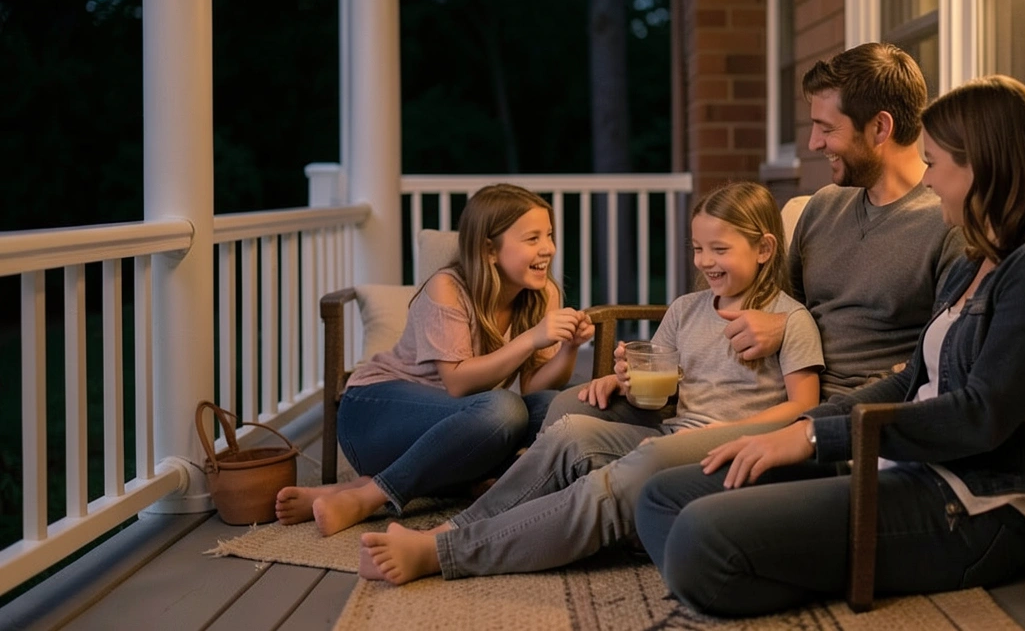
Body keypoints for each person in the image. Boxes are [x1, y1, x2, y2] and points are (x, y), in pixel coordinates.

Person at [634, 75, 1025, 617]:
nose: (930, 179)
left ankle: (758, 567)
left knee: (700, 537)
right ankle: (768, 566)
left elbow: (981, 416)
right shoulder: (979, 257)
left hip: (968, 501)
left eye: (936, 163)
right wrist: (802, 429)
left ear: (981, 167)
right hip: (889, 458)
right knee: (664, 497)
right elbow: (910, 379)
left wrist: (814, 439)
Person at [357, 181, 825, 584]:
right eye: (698, 248)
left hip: (727, 446)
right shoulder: (685, 309)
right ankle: (449, 531)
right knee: (569, 431)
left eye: (720, 250)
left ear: (763, 249)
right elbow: (666, 391)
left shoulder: (790, 319)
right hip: (671, 433)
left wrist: (723, 435)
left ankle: (450, 555)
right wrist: (621, 382)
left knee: (612, 480)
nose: (705, 261)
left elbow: (803, 408)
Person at [540, 41, 962, 435]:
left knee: (625, 461)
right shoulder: (823, 208)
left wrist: (788, 338)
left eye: (826, 129)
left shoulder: (945, 224)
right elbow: (769, 303)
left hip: (831, 415)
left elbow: (942, 356)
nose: (814, 143)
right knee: (570, 409)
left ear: (880, 128)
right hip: (754, 393)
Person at [275, 183, 594, 536]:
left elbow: (535, 384)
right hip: (374, 415)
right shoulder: (448, 286)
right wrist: (531, 338)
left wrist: (568, 348)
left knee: (561, 406)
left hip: (453, 433)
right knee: (504, 410)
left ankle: (362, 488)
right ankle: (369, 497)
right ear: (489, 249)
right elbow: (458, 383)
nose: (548, 248)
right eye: (532, 238)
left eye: (549, 235)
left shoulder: (540, 293)